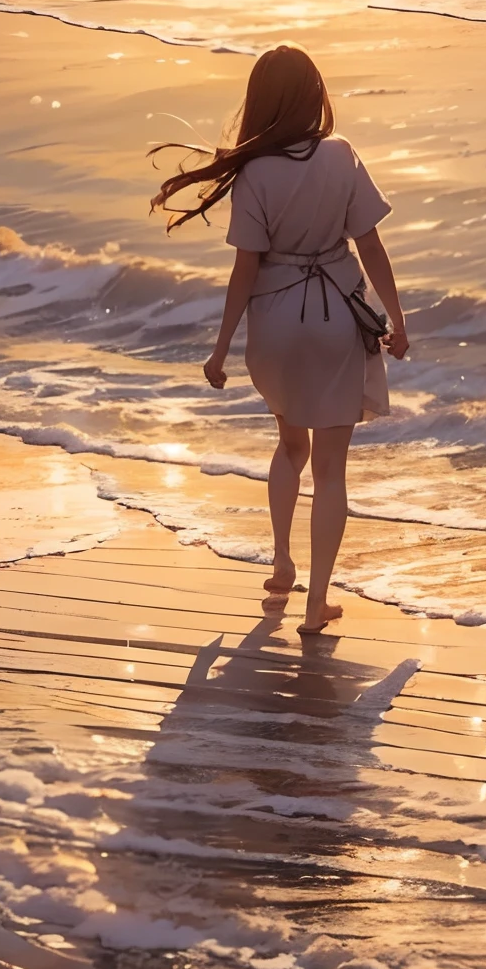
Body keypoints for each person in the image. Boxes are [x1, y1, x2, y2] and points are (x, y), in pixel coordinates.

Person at [150, 44, 408, 636]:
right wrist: (397, 319)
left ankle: (281, 562)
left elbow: (246, 267)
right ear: (314, 94)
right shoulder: (342, 156)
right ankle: (317, 601)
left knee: (292, 447)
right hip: (338, 318)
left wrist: (220, 349)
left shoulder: (256, 171)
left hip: (276, 321)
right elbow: (371, 245)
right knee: (333, 472)